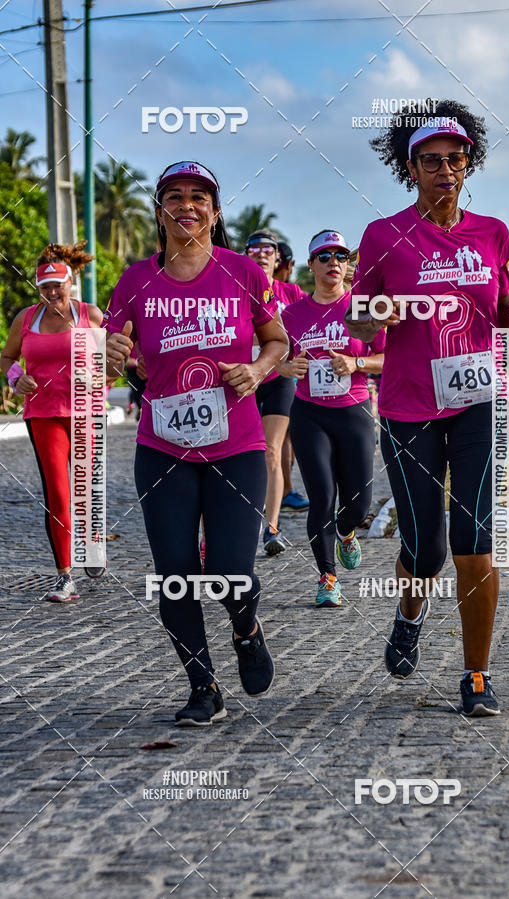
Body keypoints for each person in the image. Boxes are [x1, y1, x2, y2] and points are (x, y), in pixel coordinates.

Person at [347, 104, 509, 716]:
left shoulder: (493, 233)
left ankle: (476, 674)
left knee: (474, 537)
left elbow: (504, 314)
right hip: (409, 408)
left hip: (480, 400)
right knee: (426, 549)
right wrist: (380, 314)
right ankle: (410, 612)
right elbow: (356, 320)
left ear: (468, 166)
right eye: (431, 161)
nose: (444, 170)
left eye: (455, 160)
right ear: (410, 169)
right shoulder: (383, 235)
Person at [104, 161, 288, 725]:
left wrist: (257, 369)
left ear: (214, 210)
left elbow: (277, 340)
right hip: (164, 448)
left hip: (237, 444)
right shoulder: (135, 281)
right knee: (176, 574)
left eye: (198, 197)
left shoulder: (242, 272)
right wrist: (110, 356)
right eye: (175, 196)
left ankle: (246, 628)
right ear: (160, 212)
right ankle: (203, 686)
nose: (187, 205)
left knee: (232, 569)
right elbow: (110, 355)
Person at [280, 230, 385, 606]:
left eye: (340, 256)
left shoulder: (362, 308)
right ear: (311, 265)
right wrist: (287, 367)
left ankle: (345, 531)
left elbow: (388, 357)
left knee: (358, 505)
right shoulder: (292, 314)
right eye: (324, 256)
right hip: (310, 414)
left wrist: (356, 363)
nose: (333, 263)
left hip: (353, 411)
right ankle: (327, 578)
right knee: (322, 497)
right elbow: (276, 358)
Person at [0, 242, 103, 602]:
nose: (52, 293)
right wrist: (16, 377)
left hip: (86, 413)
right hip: (43, 414)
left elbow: (116, 357)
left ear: (70, 282)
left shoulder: (90, 315)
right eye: (45, 287)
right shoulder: (26, 319)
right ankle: (65, 576)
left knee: (86, 488)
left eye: (58, 285)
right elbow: (7, 357)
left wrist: (100, 378)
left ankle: (93, 540)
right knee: (58, 493)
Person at [245, 229, 304, 554]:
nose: (261, 254)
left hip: (279, 381)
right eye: (254, 248)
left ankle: (271, 528)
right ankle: (242, 521)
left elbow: (309, 325)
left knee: (271, 452)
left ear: (277, 257)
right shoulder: (237, 288)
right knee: (241, 455)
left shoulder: (290, 292)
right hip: (244, 379)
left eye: (268, 249)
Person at [274, 239, 310, 512]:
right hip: (263, 372)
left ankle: (284, 488)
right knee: (279, 439)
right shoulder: (249, 288)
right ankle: (283, 489)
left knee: (287, 437)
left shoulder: (292, 291)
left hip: (289, 373)